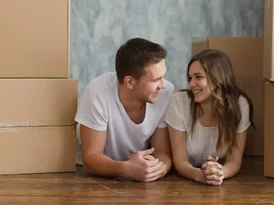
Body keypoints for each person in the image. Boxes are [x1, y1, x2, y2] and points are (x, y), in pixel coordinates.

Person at [74, 37, 175, 182]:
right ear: (130, 82)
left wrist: (159, 169)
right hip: (96, 178)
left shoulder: (165, 93)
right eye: (155, 80)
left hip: (140, 176)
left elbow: (162, 151)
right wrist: (127, 168)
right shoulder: (97, 92)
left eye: (163, 77)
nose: (163, 85)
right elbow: (91, 158)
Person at [165, 49, 254, 185]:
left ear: (217, 77)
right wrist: (200, 175)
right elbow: (180, 161)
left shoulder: (240, 105)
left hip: (216, 174)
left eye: (198, 77)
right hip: (183, 180)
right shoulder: (179, 102)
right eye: (190, 78)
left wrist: (220, 173)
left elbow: (234, 161)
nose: (191, 84)